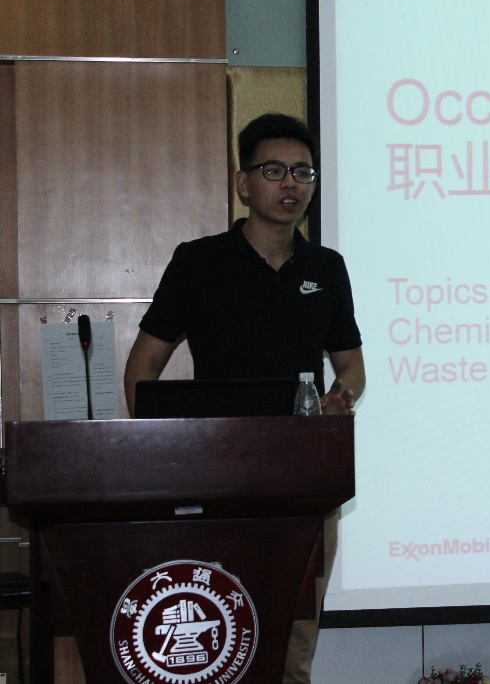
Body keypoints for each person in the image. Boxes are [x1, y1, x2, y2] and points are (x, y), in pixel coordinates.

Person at [123, 113, 364, 683]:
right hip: (216, 474)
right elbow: (143, 366)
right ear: (243, 183)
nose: (291, 184)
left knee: (294, 629)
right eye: (273, 171)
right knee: (219, 620)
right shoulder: (199, 262)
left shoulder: (326, 268)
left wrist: (339, 399)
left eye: (303, 172)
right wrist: (161, 453)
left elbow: (351, 366)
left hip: (304, 473)